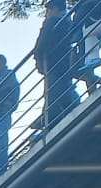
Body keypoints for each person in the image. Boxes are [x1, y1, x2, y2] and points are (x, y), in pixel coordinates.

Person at [34, 0, 84, 130]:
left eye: (48, 10)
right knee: (64, 88)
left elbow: (41, 43)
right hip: (65, 61)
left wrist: (38, 58)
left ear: (55, 9)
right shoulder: (68, 23)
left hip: (54, 62)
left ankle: (50, 121)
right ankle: (70, 108)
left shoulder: (53, 23)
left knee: (53, 92)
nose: (47, 14)